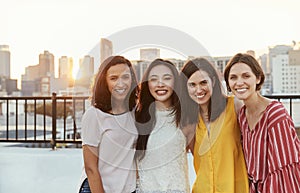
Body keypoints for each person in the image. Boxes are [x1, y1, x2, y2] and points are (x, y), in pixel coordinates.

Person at [224, 53, 300, 193]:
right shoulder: (242, 115)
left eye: (246, 76)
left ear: (258, 78)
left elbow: (284, 173)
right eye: (233, 77)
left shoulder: (275, 114)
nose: (239, 82)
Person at [180, 57, 249, 193]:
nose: (199, 90)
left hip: (235, 189)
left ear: (213, 81)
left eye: (203, 82)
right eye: (192, 85)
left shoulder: (234, 106)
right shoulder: (190, 121)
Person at [78, 56, 139, 193]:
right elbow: (90, 167)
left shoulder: (135, 113)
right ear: (104, 82)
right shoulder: (94, 115)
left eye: (125, 77)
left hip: (126, 189)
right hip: (96, 188)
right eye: (113, 78)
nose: (121, 83)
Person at [135, 58, 190, 193]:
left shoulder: (186, 117)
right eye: (153, 79)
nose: (160, 84)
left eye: (166, 78)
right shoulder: (137, 118)